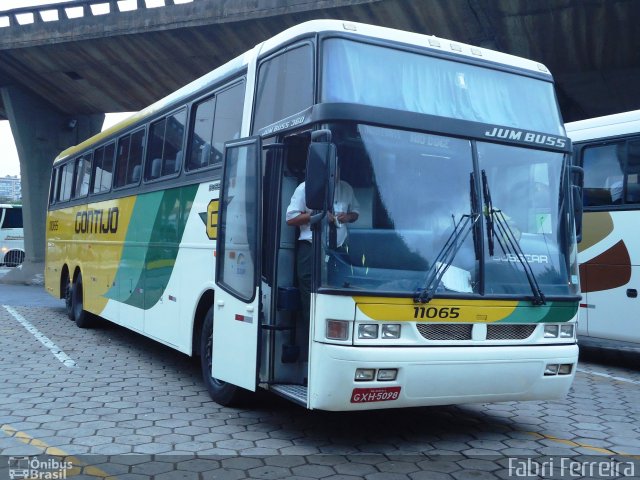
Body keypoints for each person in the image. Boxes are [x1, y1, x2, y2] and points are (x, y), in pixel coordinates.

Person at [286, 172, 359, 324]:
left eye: (338, 166)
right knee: (311, 295)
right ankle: (311, 330)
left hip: (339, 249)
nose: (336, 171)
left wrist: (348, 217)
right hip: (312, 247)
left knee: (340, 290)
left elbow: (356, 213)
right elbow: (291, 219)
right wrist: (319, 215)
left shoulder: (346, 188)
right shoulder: (304, 188)